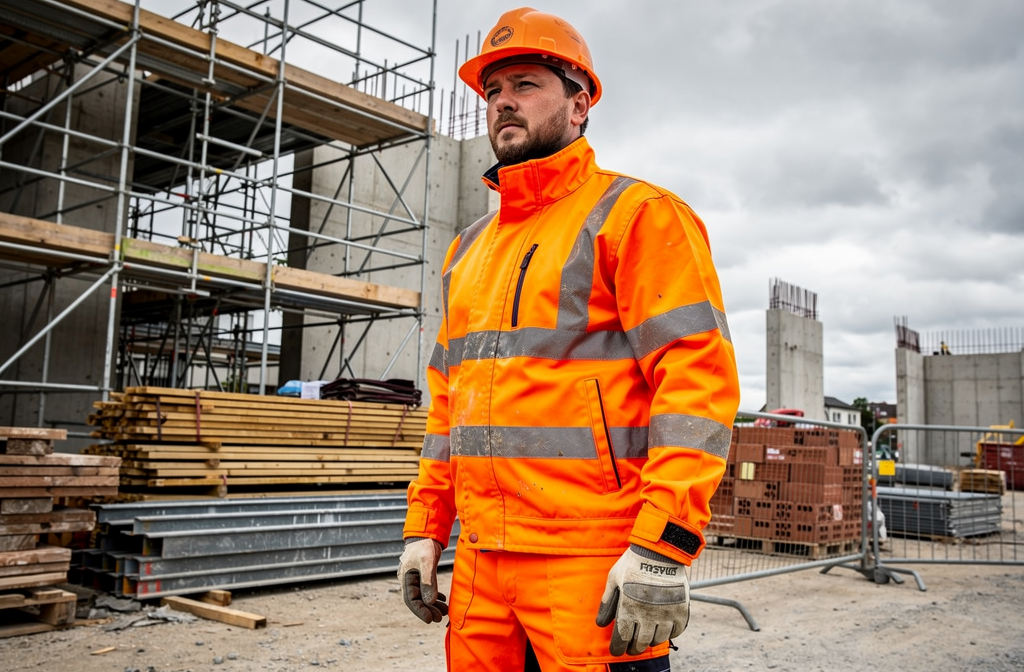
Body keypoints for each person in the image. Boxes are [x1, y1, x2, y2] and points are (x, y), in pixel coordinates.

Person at [398, 7, 740, 670]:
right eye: (493, 91)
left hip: (589, 560)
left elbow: (695, 385)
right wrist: (425, 528)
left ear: (579, 105)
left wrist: (663, 547)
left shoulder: (636, 217)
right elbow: (447, 410)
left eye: (525, 85)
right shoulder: (467, 250)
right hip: (482, 569)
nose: (503, 103)